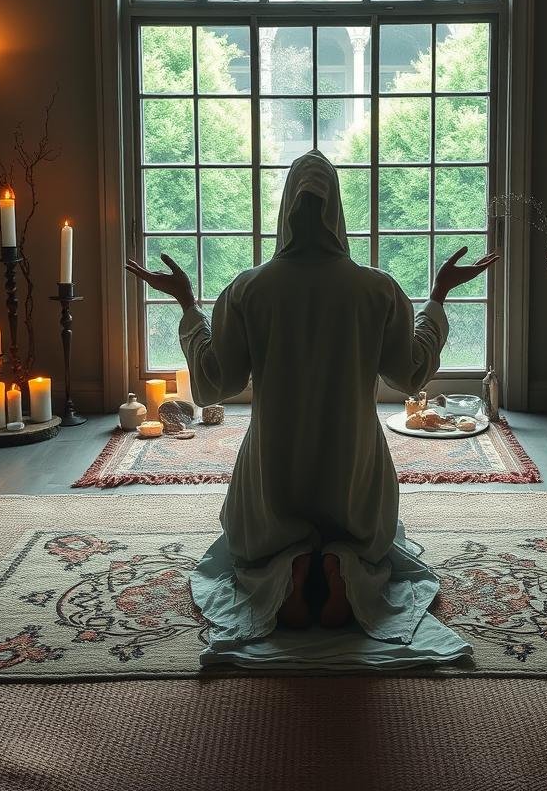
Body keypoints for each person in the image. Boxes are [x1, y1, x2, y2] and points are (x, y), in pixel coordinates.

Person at [126, 149, 498, 666]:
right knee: (375, 543)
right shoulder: (378, 288)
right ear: (338, 210)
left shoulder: (248, 288)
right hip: (354, 474)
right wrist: (437, 296)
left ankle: (289, 562)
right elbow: (409, 373)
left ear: (285, 209)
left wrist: (187, 304)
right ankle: (345, 561)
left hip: (273, 475)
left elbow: (212, 385)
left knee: (246, 546)